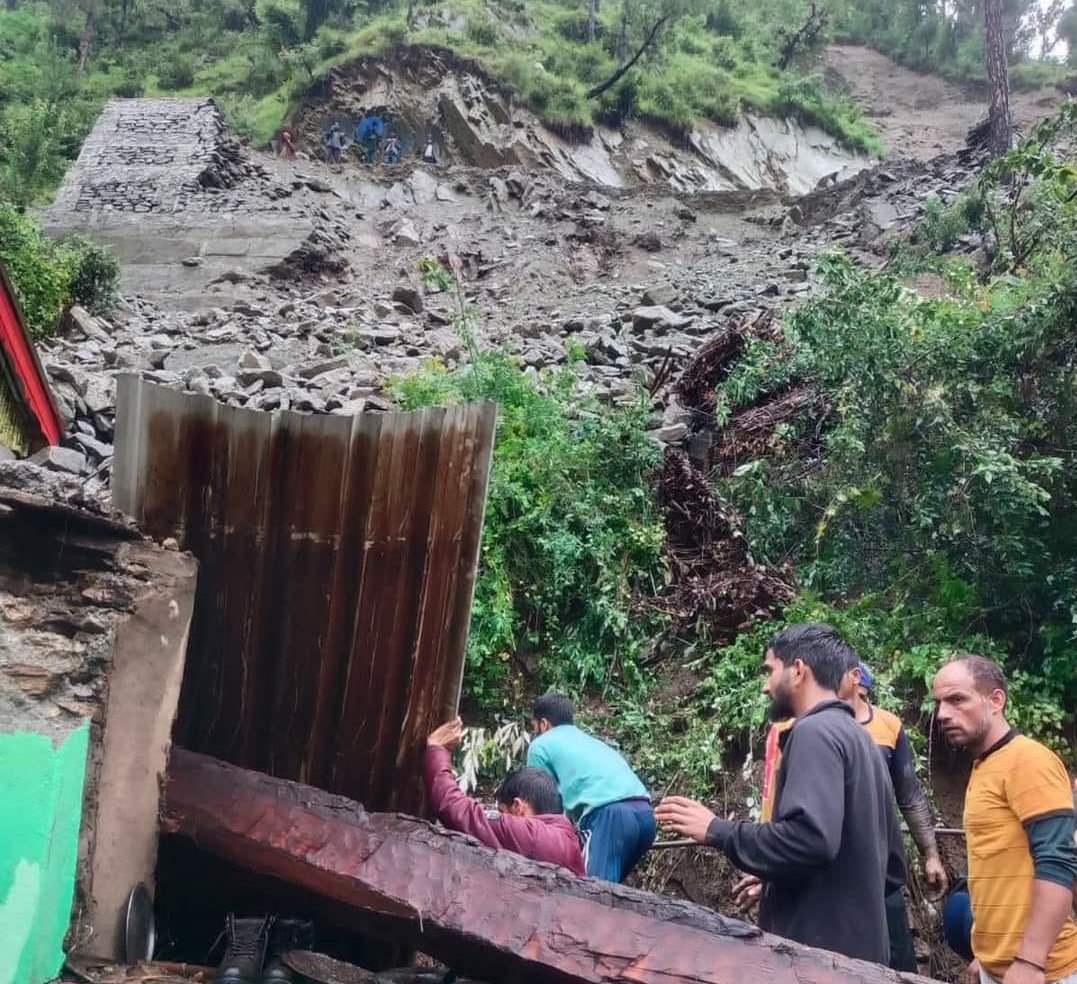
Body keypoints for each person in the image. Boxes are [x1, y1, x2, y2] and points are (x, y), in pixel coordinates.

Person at [655, 623, 905, 965]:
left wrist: (717, 830)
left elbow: (809, 838)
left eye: (770, 671)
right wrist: (781, 875)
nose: (764, 686)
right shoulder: (860, 738)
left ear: (799, 670)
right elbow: (891, 867)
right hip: (863, 958)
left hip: (819, 962)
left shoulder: (815, 732)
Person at [932, 656, 1077, 984]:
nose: (942, 714)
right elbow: (998, 867)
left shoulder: (1028, 761)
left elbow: (1058, 862)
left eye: (957, 699)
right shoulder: (985, 765)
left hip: (1046, 972)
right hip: (999, 968)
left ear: (996, 700)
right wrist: (984, 958)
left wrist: (1030, 962)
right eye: (939, 703)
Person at [840, 660, 949, 971]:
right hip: (833, 869)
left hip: (882, 868)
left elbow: (910, 796)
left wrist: (931, 855)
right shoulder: (814, 726)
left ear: (859, 684)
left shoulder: (888, 725)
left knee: (896, 957)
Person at [422, 716, 585, 876]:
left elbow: (455, 807)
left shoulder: (531, 834)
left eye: (502, 811)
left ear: (517, 806)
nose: (501, 816)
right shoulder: (568, 839)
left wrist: (436, 749)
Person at [527, 693, 655, 882]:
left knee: (592, 895)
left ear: (543, 724)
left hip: (610, 816)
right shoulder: (590, 741)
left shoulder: (540, 745)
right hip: (645, 816)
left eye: (535, 727)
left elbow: (541, 801)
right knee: (611, 896)